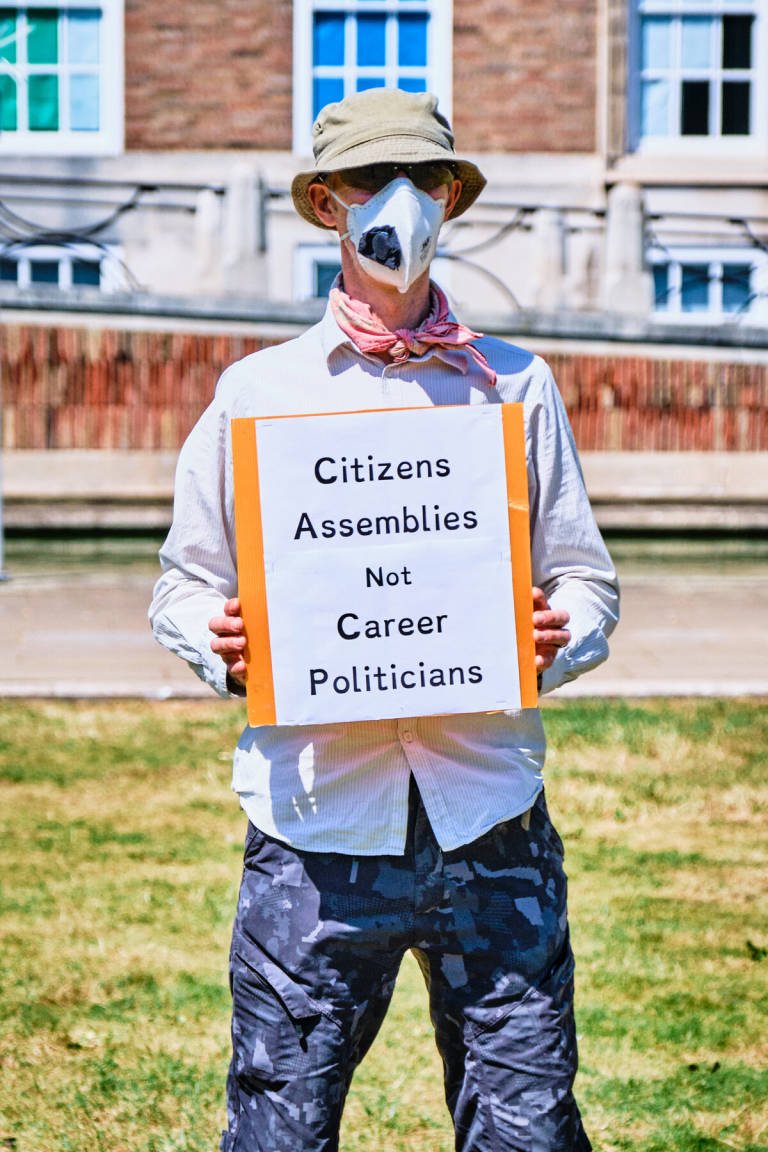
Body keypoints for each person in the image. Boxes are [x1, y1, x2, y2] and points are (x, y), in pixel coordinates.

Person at [149, 88, 619, 1152]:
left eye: (424, 178)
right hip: (314, 832)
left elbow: (588, 581)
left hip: (489, 814)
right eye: (369, 179)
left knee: (530, 1130)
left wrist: (562, 635)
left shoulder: (514, 386)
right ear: (324, 203)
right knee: (280, 1126)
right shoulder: (256, 393)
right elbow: (181, 584)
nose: (397, 203)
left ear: (451, 197)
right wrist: (216, 642)